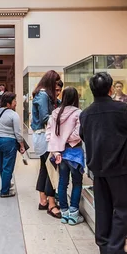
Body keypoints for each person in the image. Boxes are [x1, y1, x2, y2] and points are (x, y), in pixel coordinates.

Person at [81, 72, 127, 254]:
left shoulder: (86, 113)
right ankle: (116, 248)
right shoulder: (122, 110)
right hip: (120, 166)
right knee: (121, 207)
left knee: (102, 207)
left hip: (98, 167)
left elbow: (83, 135)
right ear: (111, 89)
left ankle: (104, 245)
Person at [47, 87, 84, 225]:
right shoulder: (78, 113)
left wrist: (59, 145)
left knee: (62, 182)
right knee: (77, 182)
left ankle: (64, 213)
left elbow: (49, 134)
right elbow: (79, 133)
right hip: (74, 152)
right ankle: (74, 215)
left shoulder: (55, 113)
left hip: (60, 153)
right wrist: (68, 140)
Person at [31, 70, 62, 219]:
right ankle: (51, 204)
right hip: (44, 136)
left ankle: (43, 201)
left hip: (41, 136)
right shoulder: (43, 95)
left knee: (44, 168)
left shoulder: (41, 95)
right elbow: (45, 117)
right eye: (56, 83)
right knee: (51, 169)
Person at [0, 92, 25, 197]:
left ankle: (6, 184)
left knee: (1, 165)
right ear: (8, 103)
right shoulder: (13, 114)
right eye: (14, 101)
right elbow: (18, 133)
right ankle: (4, 191)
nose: (16, 103)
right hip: (9, 142)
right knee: (8, 167)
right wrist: (22, 145)